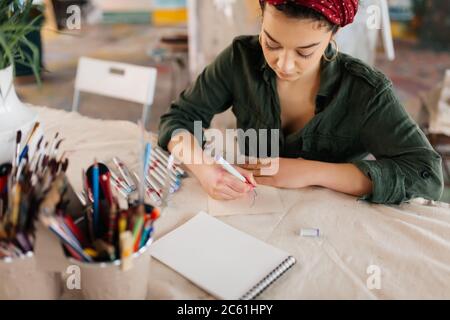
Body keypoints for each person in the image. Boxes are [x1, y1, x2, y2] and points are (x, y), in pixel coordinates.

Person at [158, 0, 444, 204]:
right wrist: (205, 170)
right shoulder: (240, 59)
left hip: (328, 228)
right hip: (250, 212)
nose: (283, 64)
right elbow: (179, 119)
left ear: (333, 34)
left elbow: (426, 176)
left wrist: (309, 171)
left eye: (304, 52)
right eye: (270, 43)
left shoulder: (365, 91)